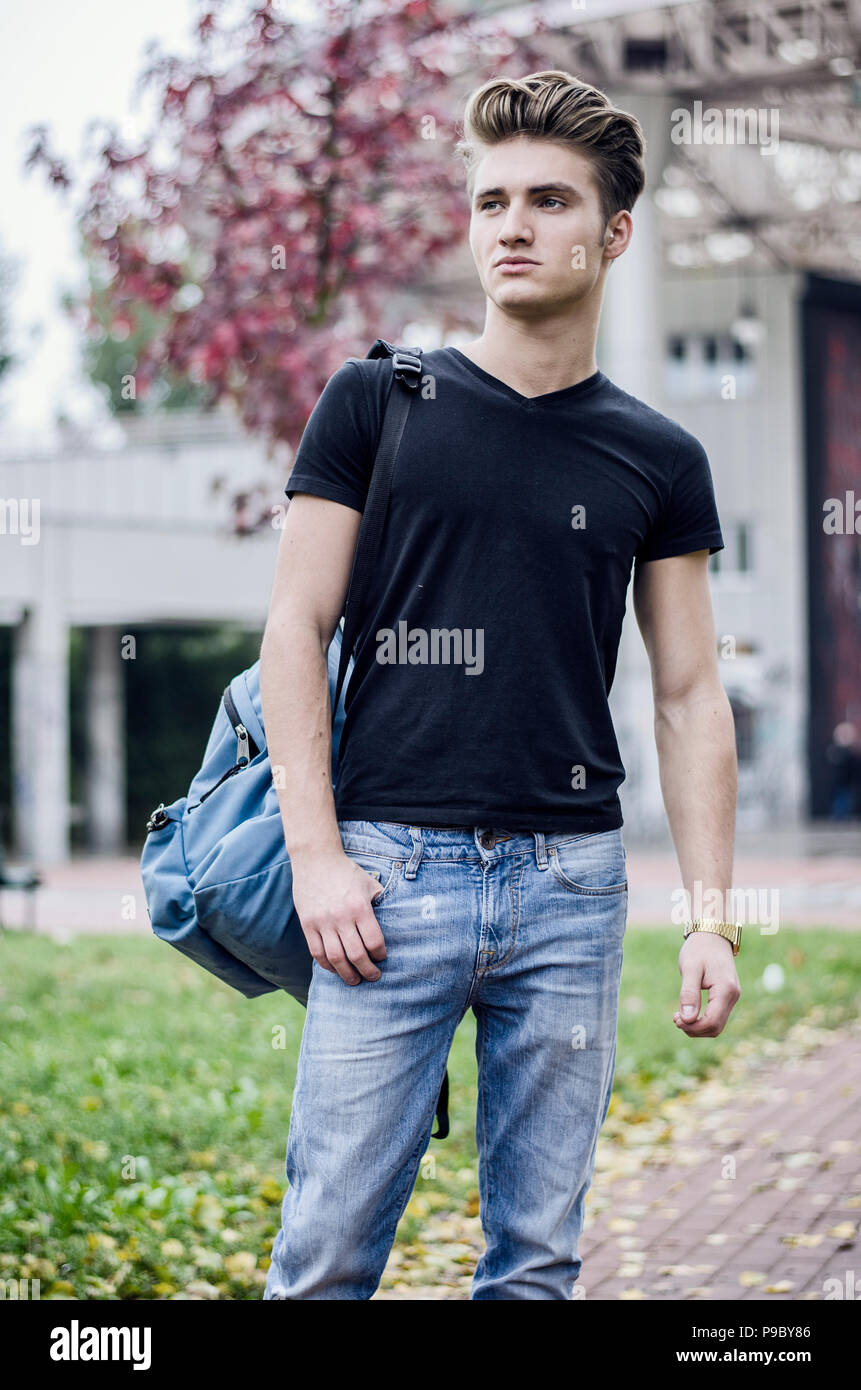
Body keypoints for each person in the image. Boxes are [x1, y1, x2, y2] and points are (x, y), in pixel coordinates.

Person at [259, 69, 741, 1301]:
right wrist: (316, 855)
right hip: (383, 883)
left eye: (547, 199)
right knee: (322, 1262)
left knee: (536, 1266)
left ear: (615, 231)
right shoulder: (378, 404)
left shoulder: (659, 456)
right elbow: (296, 627)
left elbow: (689, 693)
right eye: (489, 202)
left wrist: (709, 915)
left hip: (570, 892)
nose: (512, 226)